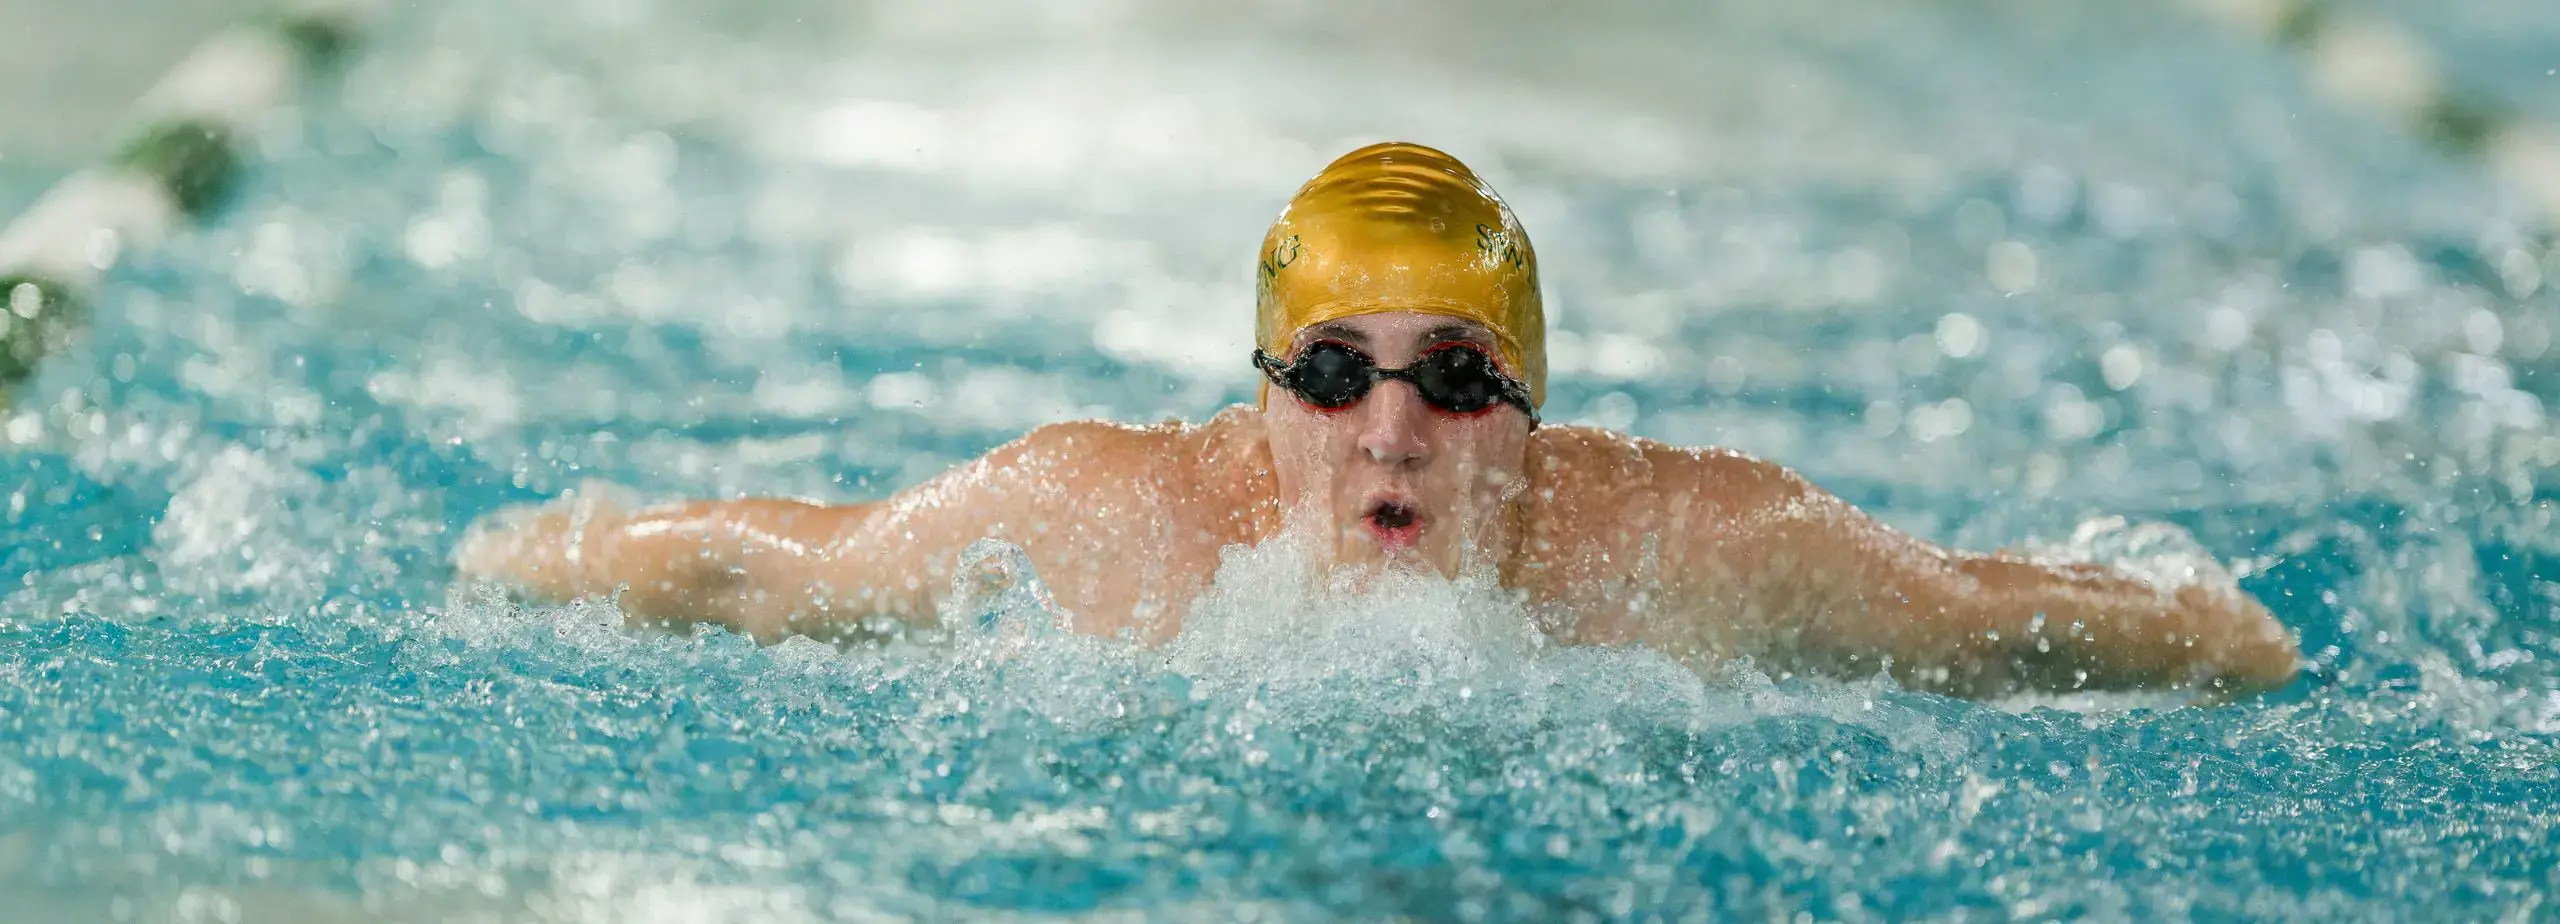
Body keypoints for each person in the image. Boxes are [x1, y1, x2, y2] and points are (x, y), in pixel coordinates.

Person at [455, 141, 2301, 699]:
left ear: (1535, 416)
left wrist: (2231, 644)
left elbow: (1996, 620)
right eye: (1333, 374)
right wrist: (532, 561)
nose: (1391, 432)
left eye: (1461, 375)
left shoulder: (1687, 552)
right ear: (1259, 401)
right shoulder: (1115, 530)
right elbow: (774, 569)